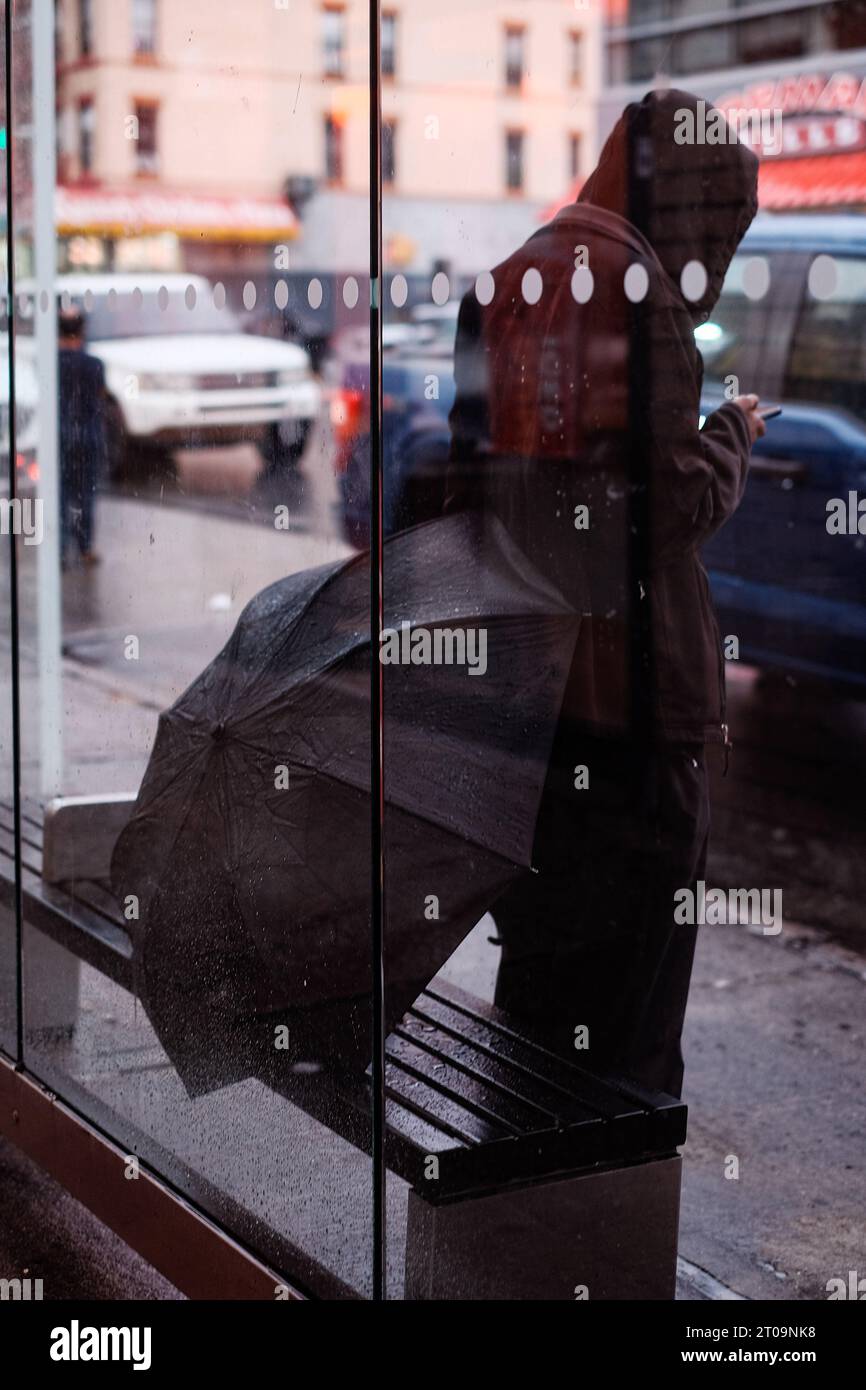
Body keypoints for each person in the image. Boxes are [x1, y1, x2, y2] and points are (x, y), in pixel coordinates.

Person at [444, 88, 765, 1097]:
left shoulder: (512, 277)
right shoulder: (636, 289)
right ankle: (594, 1236)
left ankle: (516, 1224)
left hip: (535, 696)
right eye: (718, 221)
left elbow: (483, 479)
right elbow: (661, 506)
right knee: (630, 1021)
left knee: (543, 990)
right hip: (632, 708)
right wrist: (730, 437)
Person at [58, 306, 106, 567]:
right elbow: (100, 397)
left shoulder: (52, 363)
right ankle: (85, 547)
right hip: (88, 436)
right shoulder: (94, 364)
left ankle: (61, 549)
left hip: (60, 435)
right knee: (86, 493)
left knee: (61, 493)